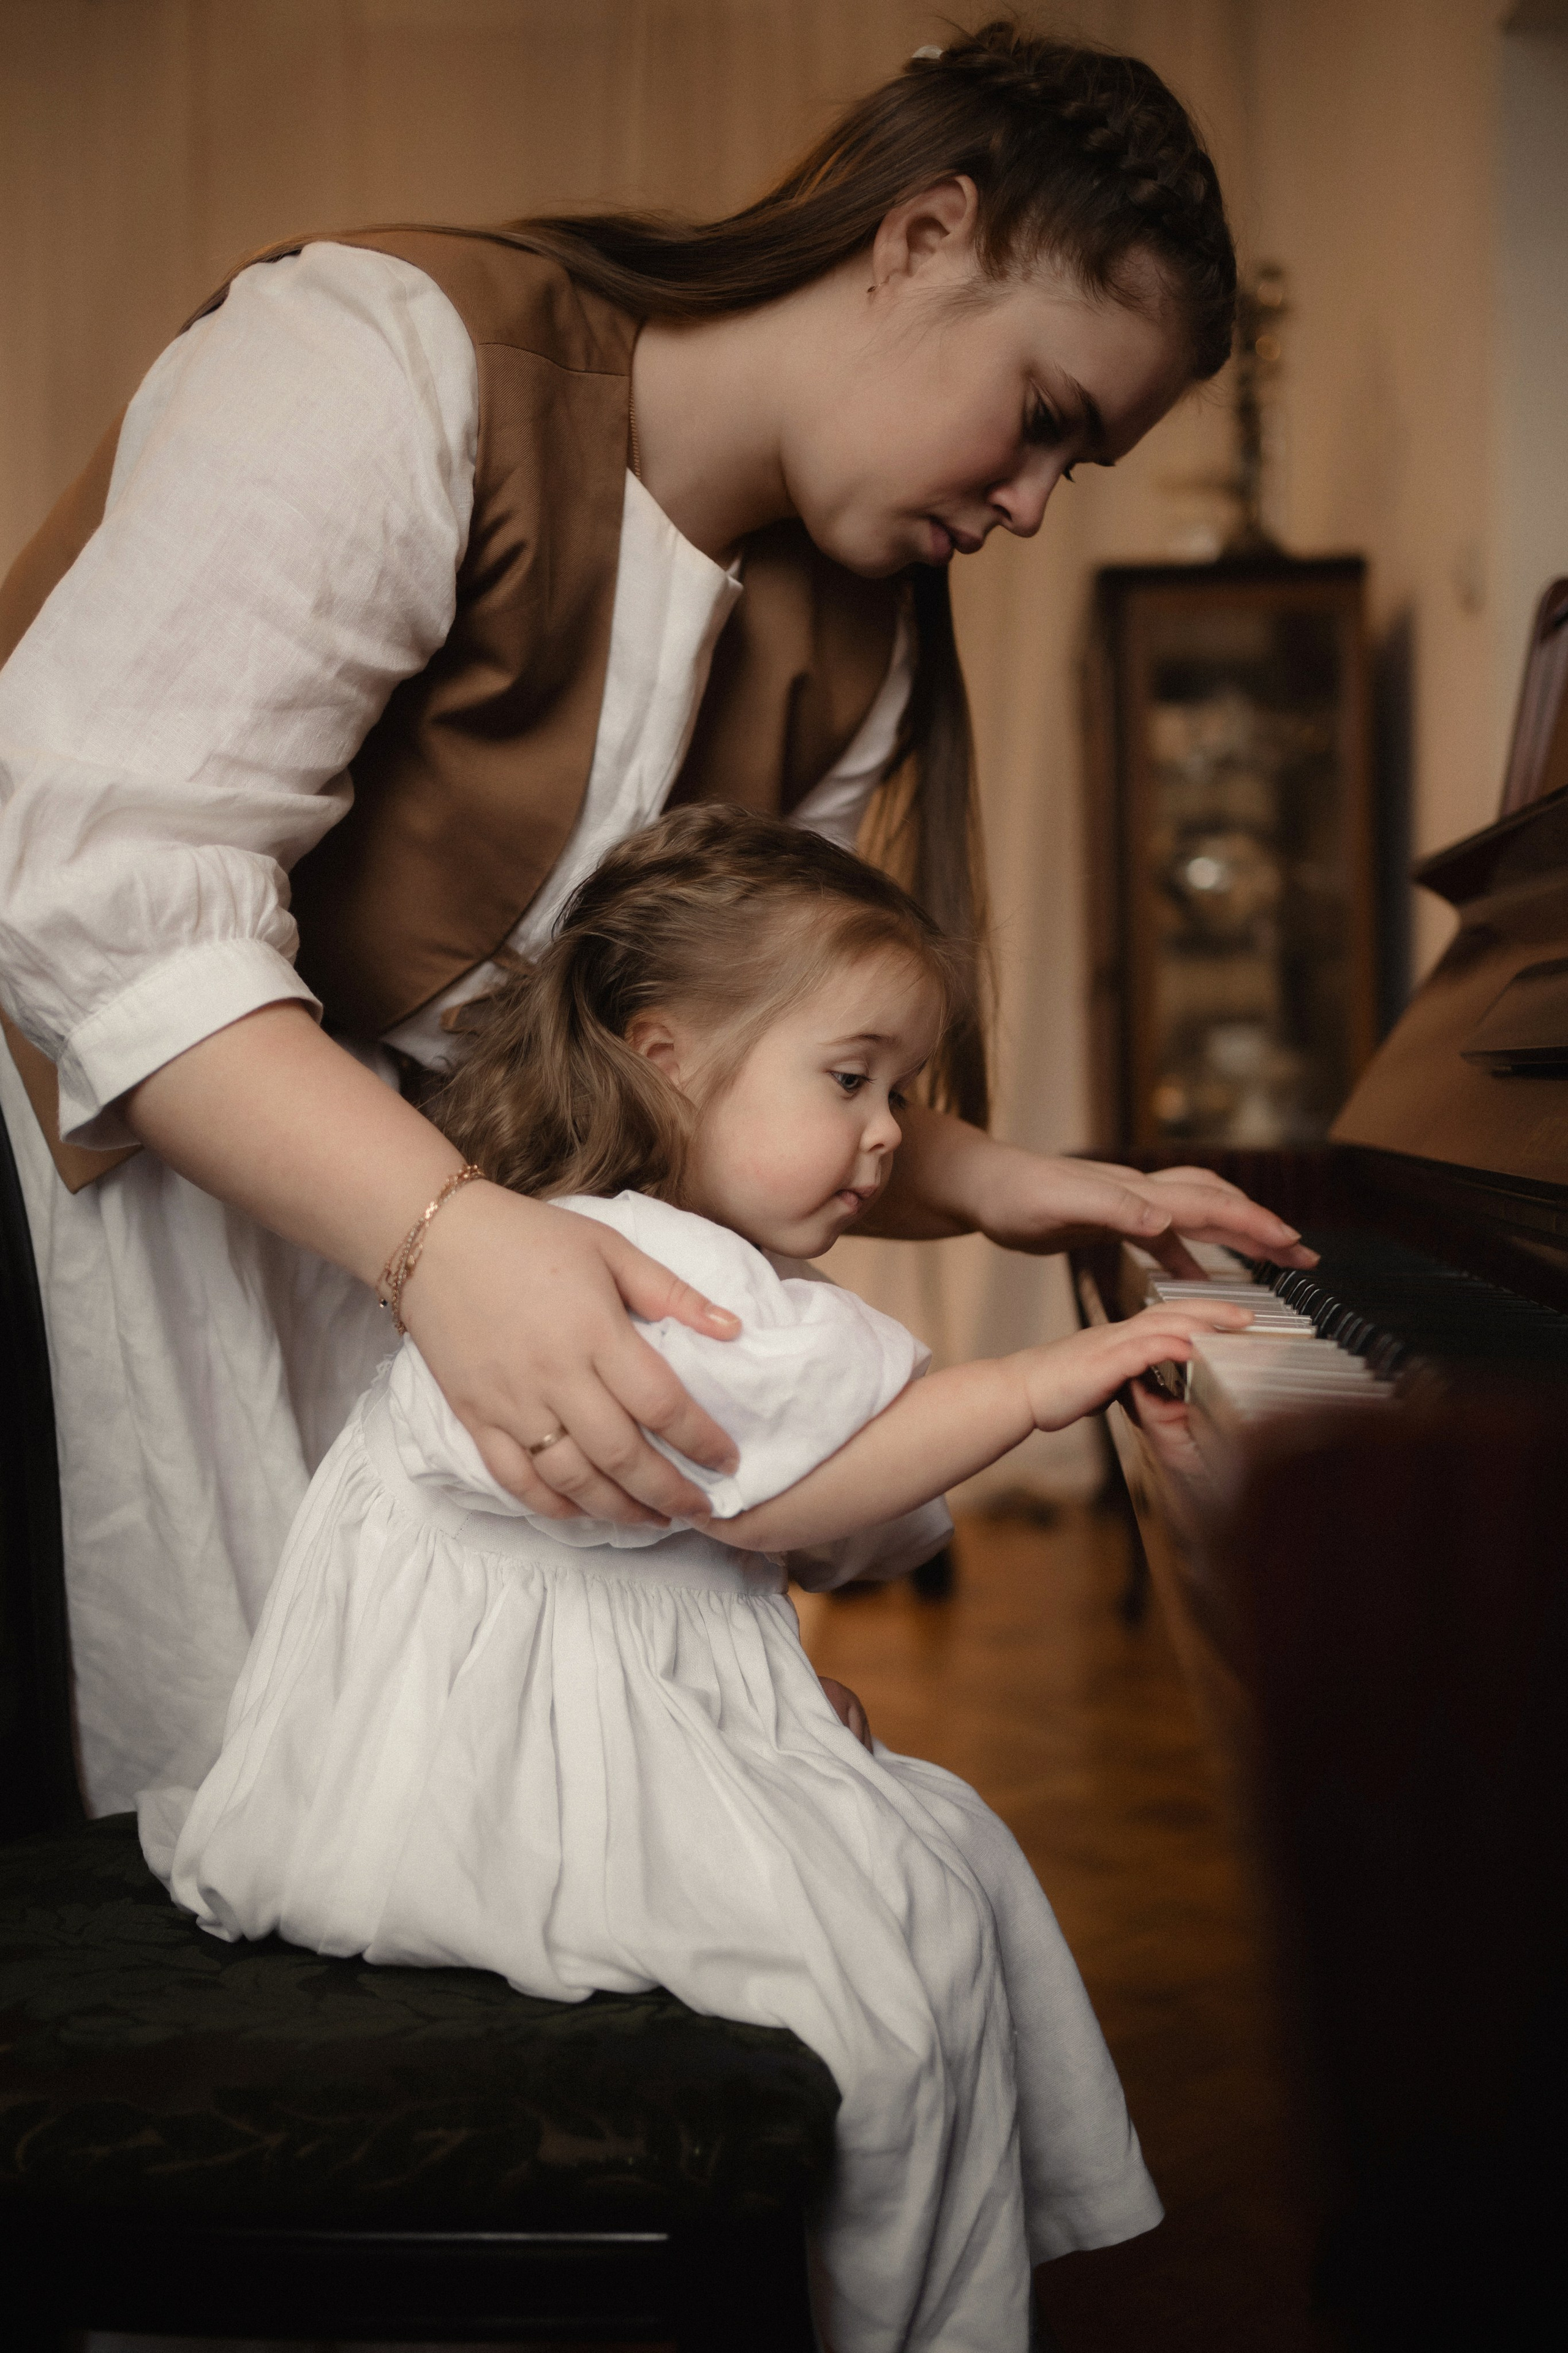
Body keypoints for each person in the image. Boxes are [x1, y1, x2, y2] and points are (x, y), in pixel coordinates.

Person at [0, 22, 1313, 1816]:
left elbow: (721, 1081)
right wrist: (441, 1237)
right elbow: (94, 900)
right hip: (105, 1225)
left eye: (1068, 475)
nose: (1025, 509)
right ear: (926, 235)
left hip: (427, 1284)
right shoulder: (383, 358)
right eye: (1044, 422)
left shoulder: (857, 634)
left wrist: (1022, 1184)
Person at [141, 809, 1253, 2353]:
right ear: (663, 1054)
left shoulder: (589, 1237)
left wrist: (753, 1703)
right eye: (849, 1079)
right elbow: (785, 1497)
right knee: (896, 1951)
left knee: (937, 1854)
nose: (886, 1133)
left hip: (459, 1749)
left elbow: (651, 1578)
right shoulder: (653, 1276)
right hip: (491, 1806)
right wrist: (1047, 1380)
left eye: (901, 1093)